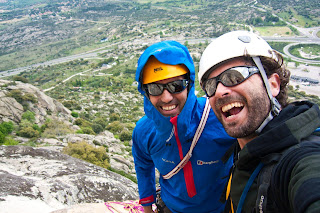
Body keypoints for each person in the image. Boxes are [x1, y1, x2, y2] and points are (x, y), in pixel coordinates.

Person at [198, 30, 320, 213]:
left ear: (273, 84)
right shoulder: (244, 152)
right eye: (211, 85)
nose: (220, 91)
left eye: (234, 77)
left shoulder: (298, 159)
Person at [132, 40, 235, 213]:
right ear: (145, 92)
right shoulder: (144, 131)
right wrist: (148, 208)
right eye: (155, 88)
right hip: (172, 209)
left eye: (176, 86)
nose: (166, 98)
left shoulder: (218, 117)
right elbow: (143, 166)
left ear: (189, 85)